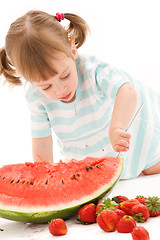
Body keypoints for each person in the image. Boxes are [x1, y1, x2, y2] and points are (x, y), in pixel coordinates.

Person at [0, 10, 160, 179]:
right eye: (46, 87)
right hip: (85, 152)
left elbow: (127, 92)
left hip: (124, 135)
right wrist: (43, 178)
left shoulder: (93, 70)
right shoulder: (35, 97)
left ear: (72, 50)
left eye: (65, 76)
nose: (60, 89)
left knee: (151, 167)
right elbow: (42, 143)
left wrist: (117, 127)